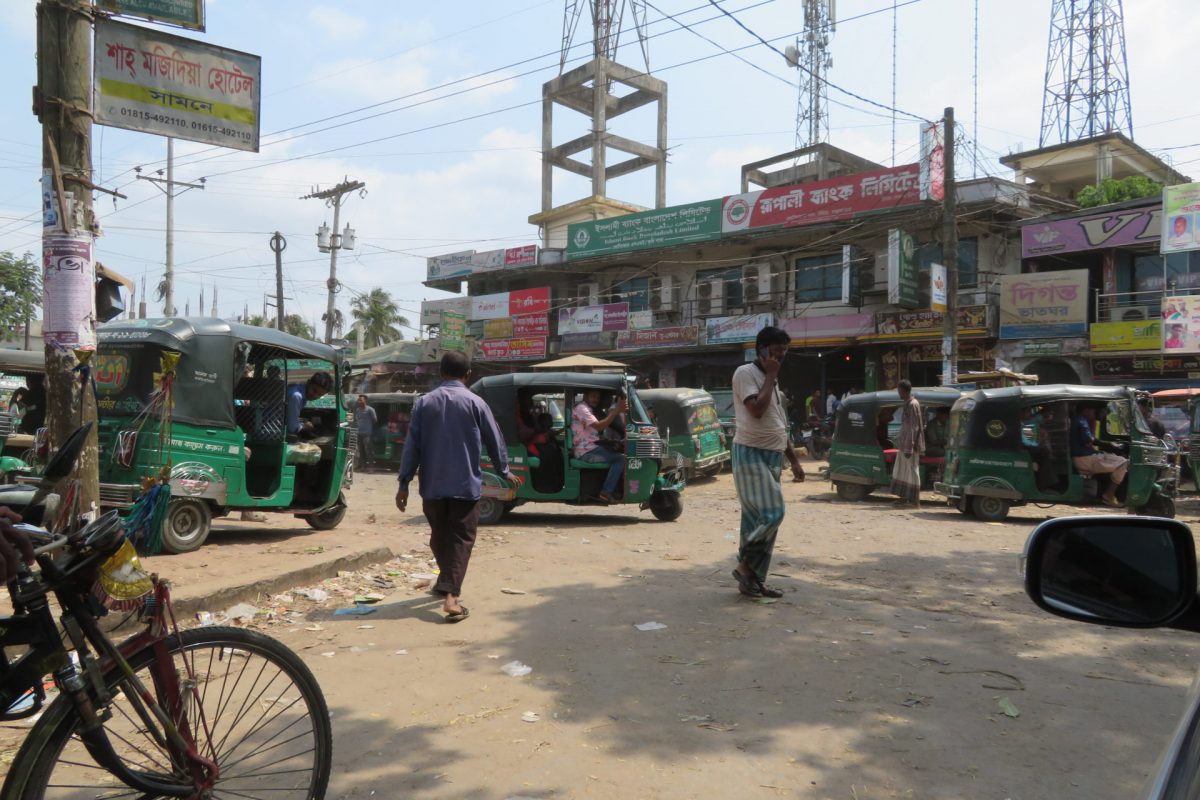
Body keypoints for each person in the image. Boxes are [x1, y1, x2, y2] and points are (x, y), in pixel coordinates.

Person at [395, 351, 523, 622]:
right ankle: (452, 597)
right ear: (468, 375)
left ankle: (445, 581)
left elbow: (412, 446)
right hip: (465, 484)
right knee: (461, 538)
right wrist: (504, 471)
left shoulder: (424, 403)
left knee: (439, 535)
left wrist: (404, 482)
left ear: (441, 373)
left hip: (432, 484)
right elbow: (494, 438)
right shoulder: (476, 403)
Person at [730, 325, 806, 600]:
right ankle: (743, 563)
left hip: (773, 456)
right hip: (750, 453)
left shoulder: (770, 382)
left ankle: (753, 581)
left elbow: (778, 424)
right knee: (774, 513)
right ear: (761, 350)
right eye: (776, 352)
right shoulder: (745, 373)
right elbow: (757, 410)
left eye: (784, 352)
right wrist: (771, 375)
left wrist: (794, 461)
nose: (780, 357)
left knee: (757, 523)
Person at [572, 389, 629, 504]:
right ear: (585, 396)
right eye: (593, 396)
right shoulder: (582, 409)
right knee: (621, 459)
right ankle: (606, 492)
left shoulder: (589, 409)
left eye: (598, 397)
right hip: (586, 451)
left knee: (616, 450)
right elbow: (599, 427)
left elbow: (593, 433)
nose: (596, 400)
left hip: (591, 447)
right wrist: (617, 410)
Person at [1070, 404, 1126, 507]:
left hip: (1083, 457)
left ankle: (1097, 494)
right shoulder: (1081, 421)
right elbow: (1088, 441)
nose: (1094, 413)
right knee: (1124, 463)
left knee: (1111, 459)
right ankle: (1109, 495)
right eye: (1093, 411)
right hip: (1084, 459)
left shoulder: (1079, 420)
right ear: (1086, 410)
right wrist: (1109, 445)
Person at [890, 380, 924, 509]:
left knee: (912, 472)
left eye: (899, 391)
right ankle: (905, 498)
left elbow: (913, 428)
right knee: (902, 471)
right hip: (904, 445)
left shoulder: (913, 405)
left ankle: (915, 502)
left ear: (904, 391)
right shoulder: (907, 404)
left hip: (910, 446)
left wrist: (909, 447)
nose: (898, 393)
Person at [286, 372, 333, 438]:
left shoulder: (298, 391)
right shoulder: (296, 396)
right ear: (308, 382)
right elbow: (292, 428)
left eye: (320, 395)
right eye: (314, 390)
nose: (315, 395)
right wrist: (304, 426)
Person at [354, 394, 378, 469]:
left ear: (365, 401)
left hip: (367, 434)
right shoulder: (357, 410)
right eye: (358, 400)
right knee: (361, 451)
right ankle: (362, 466)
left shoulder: (370, 409)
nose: (359, 401)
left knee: (368, 451)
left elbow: (375, 420)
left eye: (360, 400)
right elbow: (357, 419)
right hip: (359, 433)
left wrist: (368, 426)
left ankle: (371, 467)